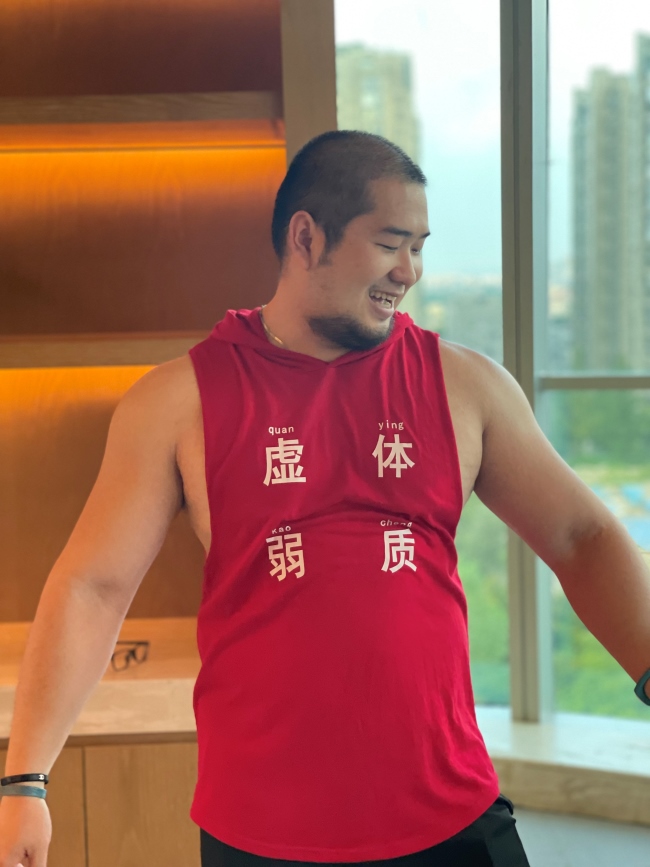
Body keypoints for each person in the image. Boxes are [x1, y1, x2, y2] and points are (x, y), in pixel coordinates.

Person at [2, 130, 650, 867]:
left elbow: (582, 538)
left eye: (419, 248)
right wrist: (25, 781)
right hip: (261, 831)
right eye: (390, 244)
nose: (409, 271)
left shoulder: (465, 385)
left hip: (450, 815)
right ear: (307, 238)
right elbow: (92, 587)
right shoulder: (178, 401)